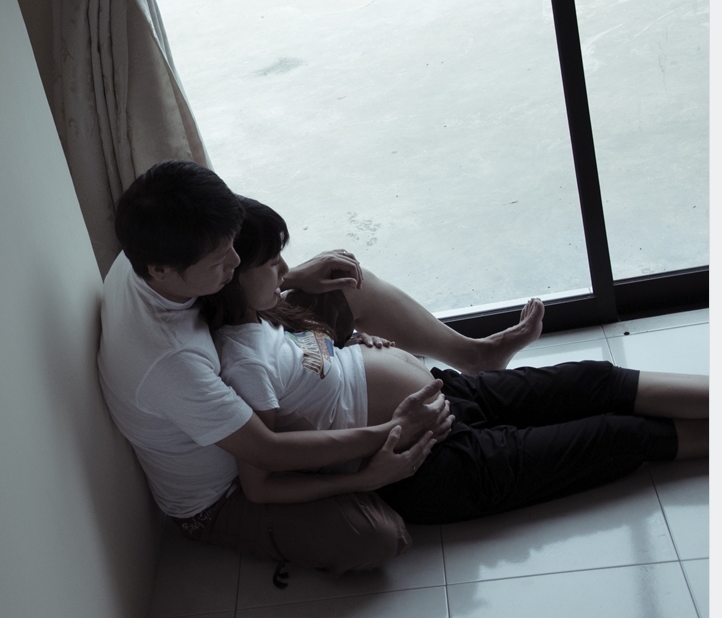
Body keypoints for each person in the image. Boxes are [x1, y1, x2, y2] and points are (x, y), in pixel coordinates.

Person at [98, 160, 545, 574]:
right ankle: (356, 474)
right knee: (375, 537)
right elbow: (266, 453)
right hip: (224, 493)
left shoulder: (149, 247)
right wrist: (390, 432)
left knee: (339, 280)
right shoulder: (170, 361)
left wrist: (289, 276)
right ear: (161, 270)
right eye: (220, 261)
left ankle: (473, 356)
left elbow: (233, 279)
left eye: (233, 249)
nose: (234, 263)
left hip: (241, 373)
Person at [199, 195, 706, 534]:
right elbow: (261, 485)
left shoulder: (264, 316)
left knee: (597, 379)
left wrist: (351, 348)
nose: (287, 269)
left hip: (450, 394)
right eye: (273, 263)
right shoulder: (242, 364)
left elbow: (311, 380)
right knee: (619, 436)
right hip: (433, 467)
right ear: (229, 274)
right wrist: (366, 479)